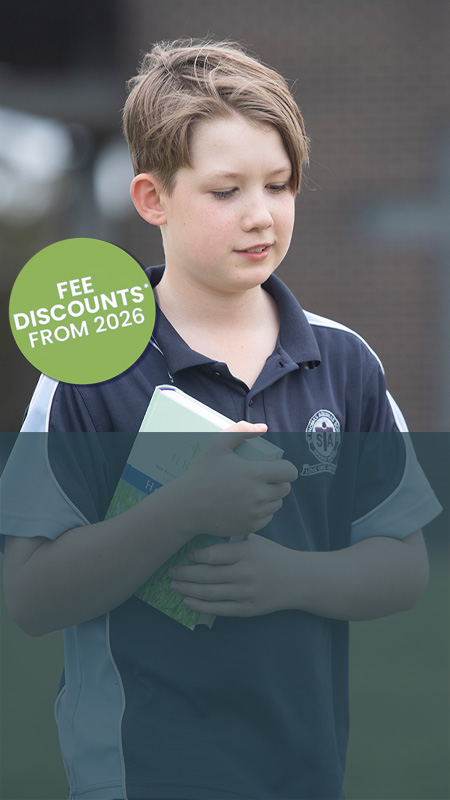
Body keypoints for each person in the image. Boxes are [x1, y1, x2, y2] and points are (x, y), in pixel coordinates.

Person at [1, 39, 442, 800]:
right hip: (141, 778)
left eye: (280, 184)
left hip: (303, 774)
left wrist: (288, 578)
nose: (261, 215)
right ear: (153, 199)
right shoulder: (88, 370)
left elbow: (404, 568)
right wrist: (183, 510)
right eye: (226, 190)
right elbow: (32, 598)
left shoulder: (347, 363)